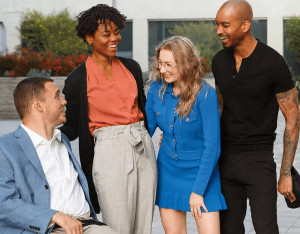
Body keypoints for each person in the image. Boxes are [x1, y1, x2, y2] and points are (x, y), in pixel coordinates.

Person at [59, 4, 157, 234]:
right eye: (107, 34)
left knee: (144, 225)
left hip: (142, 145)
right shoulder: (77, 79)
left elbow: (143, 110)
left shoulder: (132, 68)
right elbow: (72, 126)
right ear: (89, 37)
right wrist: (43, 134)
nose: (115, 38)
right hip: (108, 152)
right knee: (116, 227)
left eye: (117, 32)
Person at [213, 1, 300, 233]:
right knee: (229, 229)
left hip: (259, 160)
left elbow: (292, 118)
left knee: (266, 228)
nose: (218, 31)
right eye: (217, 24)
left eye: (225, 25)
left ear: (245, 25)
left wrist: (285, 174)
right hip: (225, 160)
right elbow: (217, 110)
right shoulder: (219, 61)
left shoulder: (273, 63)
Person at [0, 77, 117, 234]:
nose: (64, 101)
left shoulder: (62, 140)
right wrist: (54, 216)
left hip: (86, 224)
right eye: (57, 96)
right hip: (47, 228)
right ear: (38, 105)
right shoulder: (5, 147)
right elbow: (4, 203)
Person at [145, 36, 227, 234]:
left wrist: (198, 192)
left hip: (202, 174)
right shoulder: (156, 90)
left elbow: (212, 147)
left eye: (169, 65)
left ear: (186, 63)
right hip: (169, 173)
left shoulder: (205, 95)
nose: (162, 70)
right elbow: (145, 130)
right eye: (160, 64)